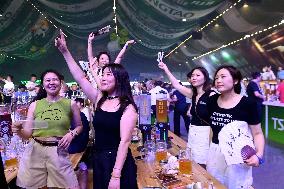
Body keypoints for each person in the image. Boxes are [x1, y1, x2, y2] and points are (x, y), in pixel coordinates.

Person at [55, 29, 138, 189]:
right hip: (99, 158)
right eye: (103, 74)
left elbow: (124, 142)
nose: (103, 77)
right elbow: (80, 77)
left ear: (119, 79)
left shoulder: (128, 108)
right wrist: (65, 51)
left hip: (117, 162)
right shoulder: (99, 99)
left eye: (108, 74)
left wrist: (116, 175)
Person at [11, 69, 83, 189]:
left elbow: (79, 126)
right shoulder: (35, 105)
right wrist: (18, 131)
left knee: (69, 186)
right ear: (43, 84)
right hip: (35, 150)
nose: (51, 82)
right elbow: (28, 134)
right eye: (47, 80)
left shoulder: (71, 104)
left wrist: (71, 134)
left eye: (55, 79)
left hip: (58, 150)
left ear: (60, 83)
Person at [206, 65, 265, 189]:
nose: (218, 80)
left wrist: (258, 155)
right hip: (215, 153)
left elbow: (257, 133)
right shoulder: (211, 101)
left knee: (237, 185)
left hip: (237, 156)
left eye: (223, 77)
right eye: (216, 78)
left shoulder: (249, 104)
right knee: (214, 184)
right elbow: (212, 129)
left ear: (235, 80)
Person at [158, 62, 213, 167]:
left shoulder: (211, 95)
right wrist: (165, 68)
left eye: (197, 75)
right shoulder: (193, 94)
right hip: (193, 133)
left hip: (205, 135)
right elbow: (176, 85)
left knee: (203, 164)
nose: (194, 78)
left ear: (205, 78)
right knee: (192, 162)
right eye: (192, 76)